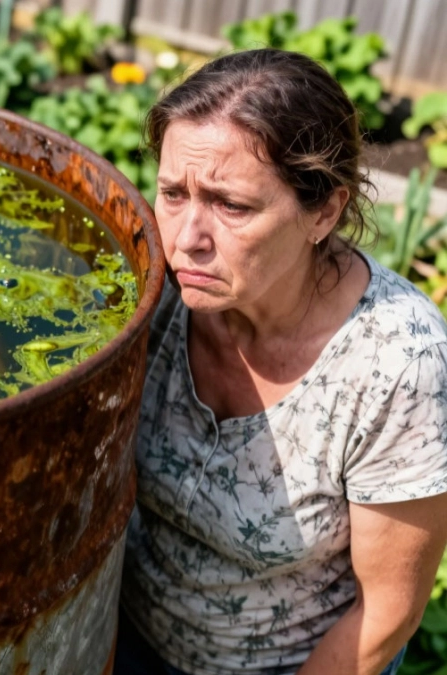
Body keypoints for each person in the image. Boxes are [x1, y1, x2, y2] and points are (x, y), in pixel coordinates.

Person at [115, 48, 447, 675]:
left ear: (324, 211)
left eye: (231, 205)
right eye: (172, 193)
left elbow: (386, 612)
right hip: (126, 631)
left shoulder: (397, 364)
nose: (186, 238)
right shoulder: (153, 283)